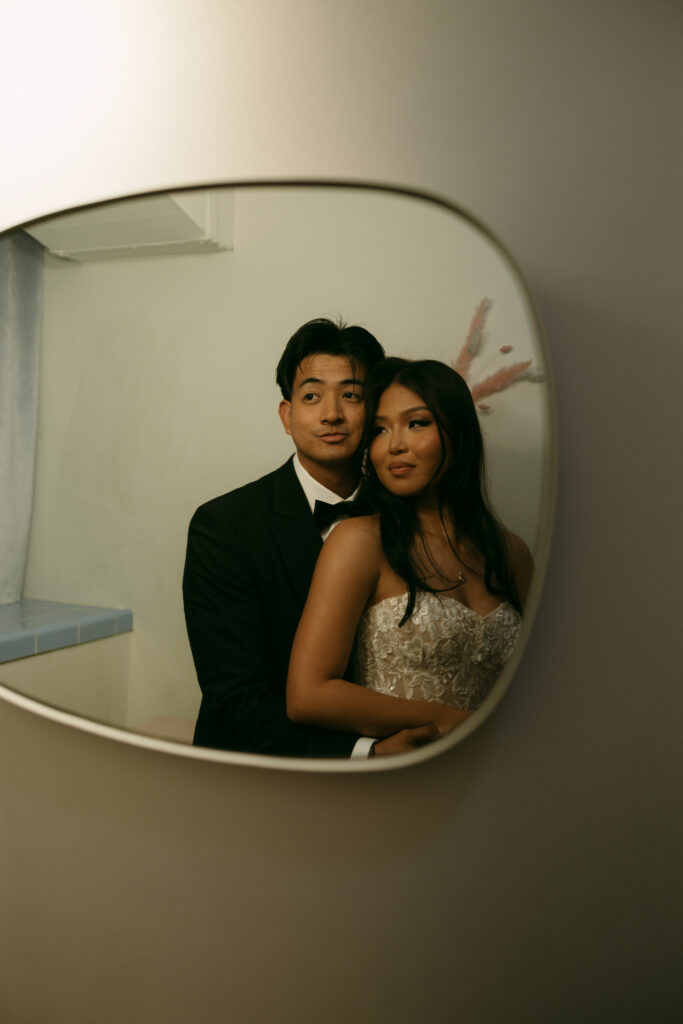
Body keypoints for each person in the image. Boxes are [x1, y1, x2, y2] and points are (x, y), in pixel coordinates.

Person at [183, 319, 441, 758]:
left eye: (352, 396)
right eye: (311, 396)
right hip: (258, 773)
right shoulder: (224, 526)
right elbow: (235, 700)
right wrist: (366, 753)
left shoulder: (412, 516)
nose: (331, 414)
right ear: (287, 415)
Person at [286, 357, 534, 744]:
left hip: (507, 772)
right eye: (380, 430)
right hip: (405, 779)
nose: (395, 446)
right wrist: (450, 721)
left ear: (459, 431)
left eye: (416, 423)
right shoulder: (360, 541)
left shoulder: (511, 551)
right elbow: (308, 695)